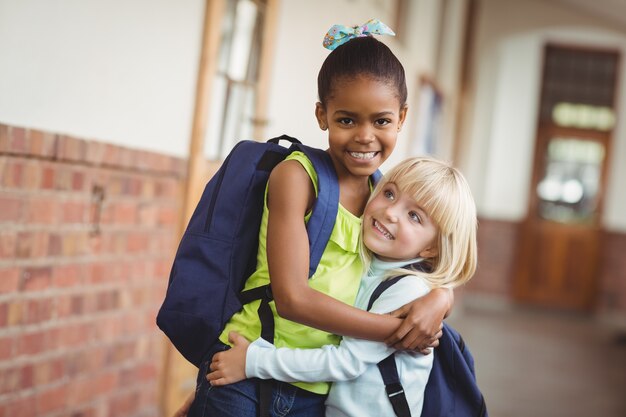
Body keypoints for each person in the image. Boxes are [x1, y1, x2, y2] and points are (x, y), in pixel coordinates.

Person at [182, 19, 454, 417]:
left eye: (380, 121)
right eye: (347, 120)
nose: (365, 136)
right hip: (248, 371)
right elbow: (293, 299)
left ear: (402, 118)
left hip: (317, 391)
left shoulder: (385, 197)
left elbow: (415, 263)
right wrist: (402, 332)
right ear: (322, 115)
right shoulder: (297, 177)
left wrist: (439, 299)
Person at [207, 156, 478, 417]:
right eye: (390, 194)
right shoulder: (371, 261)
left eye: (415, 217)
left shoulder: (409, 291)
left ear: (432, 247)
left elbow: (345, 362)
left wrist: (253, 362)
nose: (391, 213)